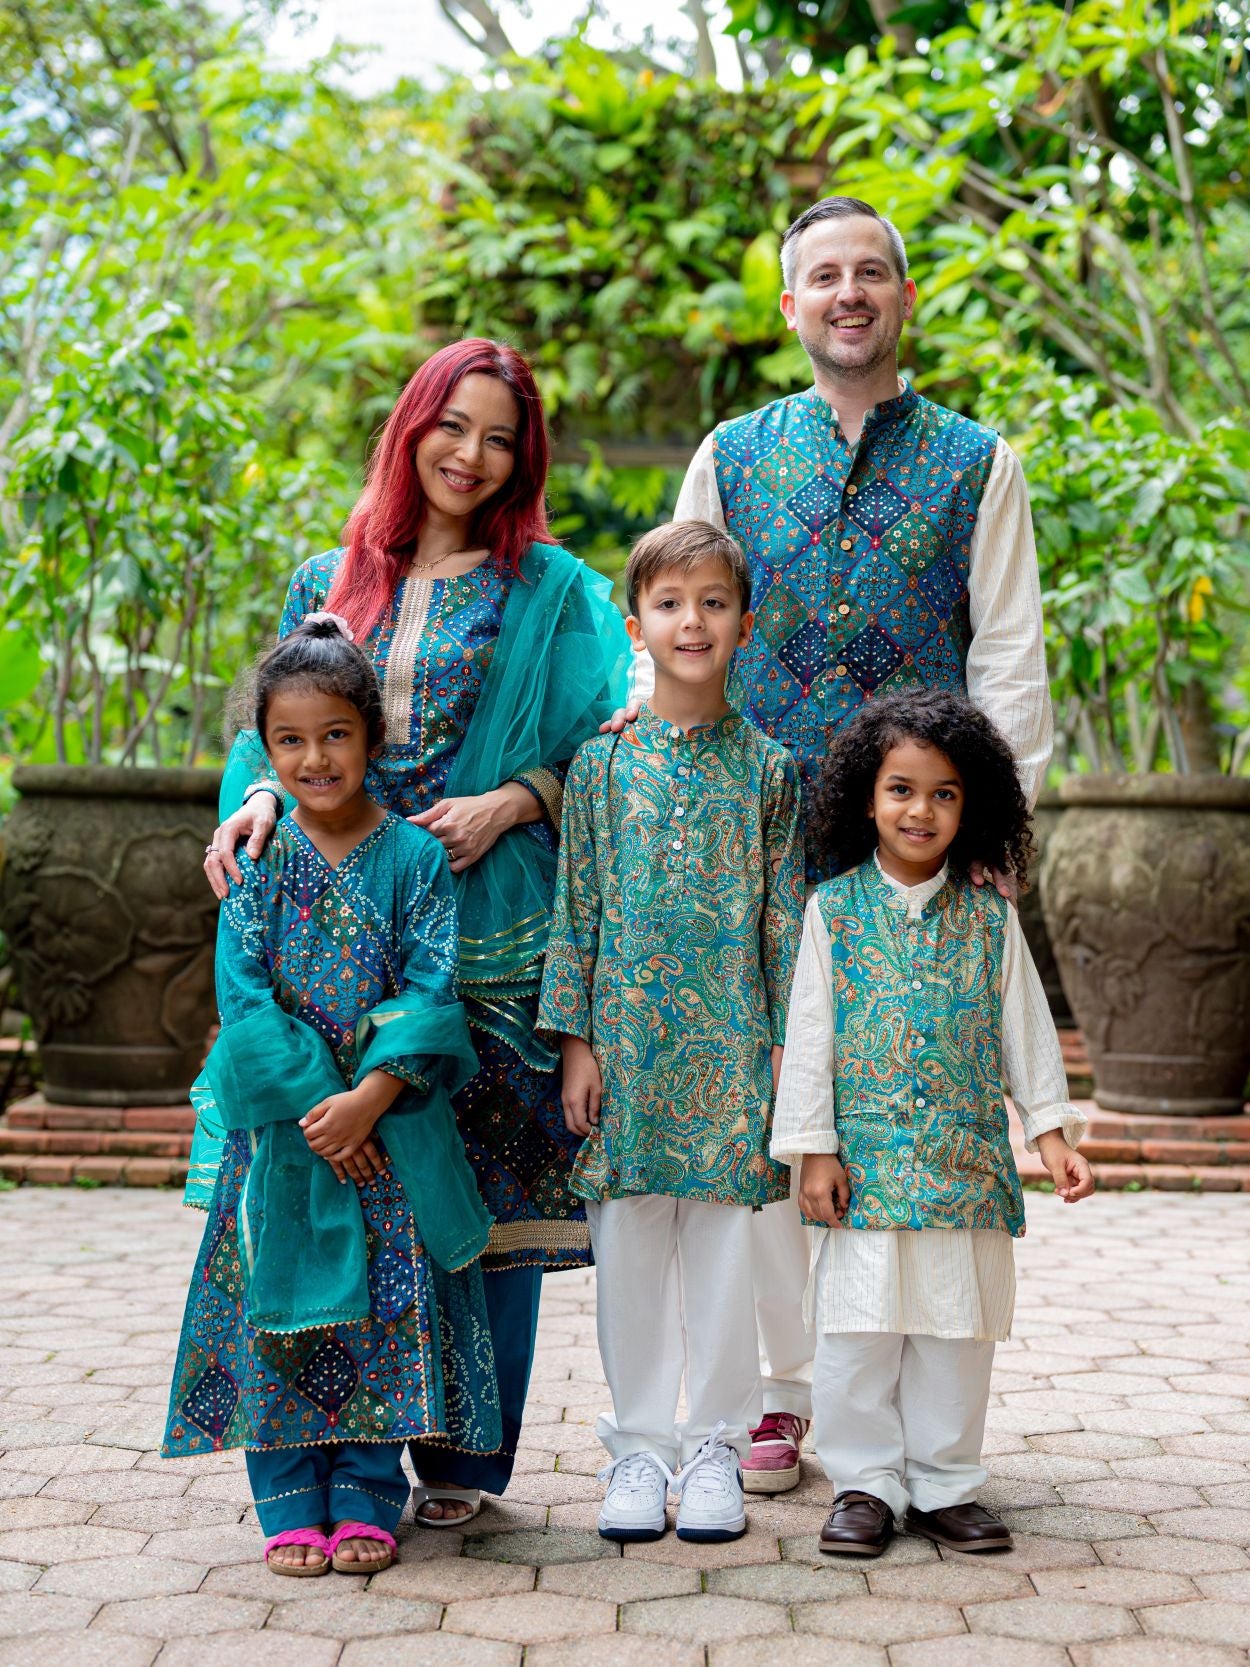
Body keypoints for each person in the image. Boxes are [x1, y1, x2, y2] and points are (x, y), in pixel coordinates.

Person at [621, 194, 1055, 1492]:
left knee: (903, 1113)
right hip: (753, 838)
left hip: (914, 851)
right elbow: (678, 632)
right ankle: (779, 1393)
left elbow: (1009, 660)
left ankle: (916, 1406)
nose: (848, 292)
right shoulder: (733, 453)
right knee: (770, 1117)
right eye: (823, 276)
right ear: (789, 305)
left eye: (871, 272)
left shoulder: (978, 461)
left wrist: (991, 840)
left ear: (903, 297)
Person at [194, 340, 630, 1526]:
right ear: (413, 424)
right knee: (347, 1182)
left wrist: (515, 798)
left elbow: (604, 741)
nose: (471, 455)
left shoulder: (549, 590)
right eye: (455, 425)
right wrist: (256, 799)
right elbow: (269, 723)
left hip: (484, 932)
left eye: (499, 437)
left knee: (476, 1207)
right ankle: (339, 1450)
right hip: (330, 934)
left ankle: (463, 1466)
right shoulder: (327, 579)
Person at [164, 619, 500, 1576]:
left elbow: (435, 993)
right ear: (265, 751)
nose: (316, 757)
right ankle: (286, 1501)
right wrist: (323, 1110)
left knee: (384, 1307)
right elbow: (244, 1000)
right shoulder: (255, 862)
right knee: (278, 1304)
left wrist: (370, 1099)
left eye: (336, 734)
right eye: (291, 740)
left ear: (372, 736)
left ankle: (363, 1492)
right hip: (282, 1139)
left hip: (388, 1131)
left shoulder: (415, 859)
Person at [771, 688, 1093, 1558]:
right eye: (902, 789)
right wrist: (813, 1151)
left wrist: (1053, 1133)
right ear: (866, 799)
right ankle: (867, 1484)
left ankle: (947, 1481)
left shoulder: (991, 918)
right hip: (865, 1167)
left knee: (957, 1329)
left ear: (971, 804)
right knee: (858, 1332)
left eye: (944, 792)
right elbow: (809, 1037)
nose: (921, 809)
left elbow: (1026, 1030)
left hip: (964, 1165)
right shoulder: (830, 911)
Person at [538, 521, 805, 1544]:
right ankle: (638, 1449)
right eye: (668, 601)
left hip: (736, 1052)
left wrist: (788, 1050)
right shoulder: (599, 767)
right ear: (635, 619)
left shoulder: (771, 771)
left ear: (744, 621)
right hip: (627, 1054)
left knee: (731, 1255)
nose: (689, 621)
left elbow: (783, 918)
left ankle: (713, 1452)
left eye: (711, 602)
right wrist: (576, 1041)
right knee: (633, 1250)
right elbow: (579, 909)